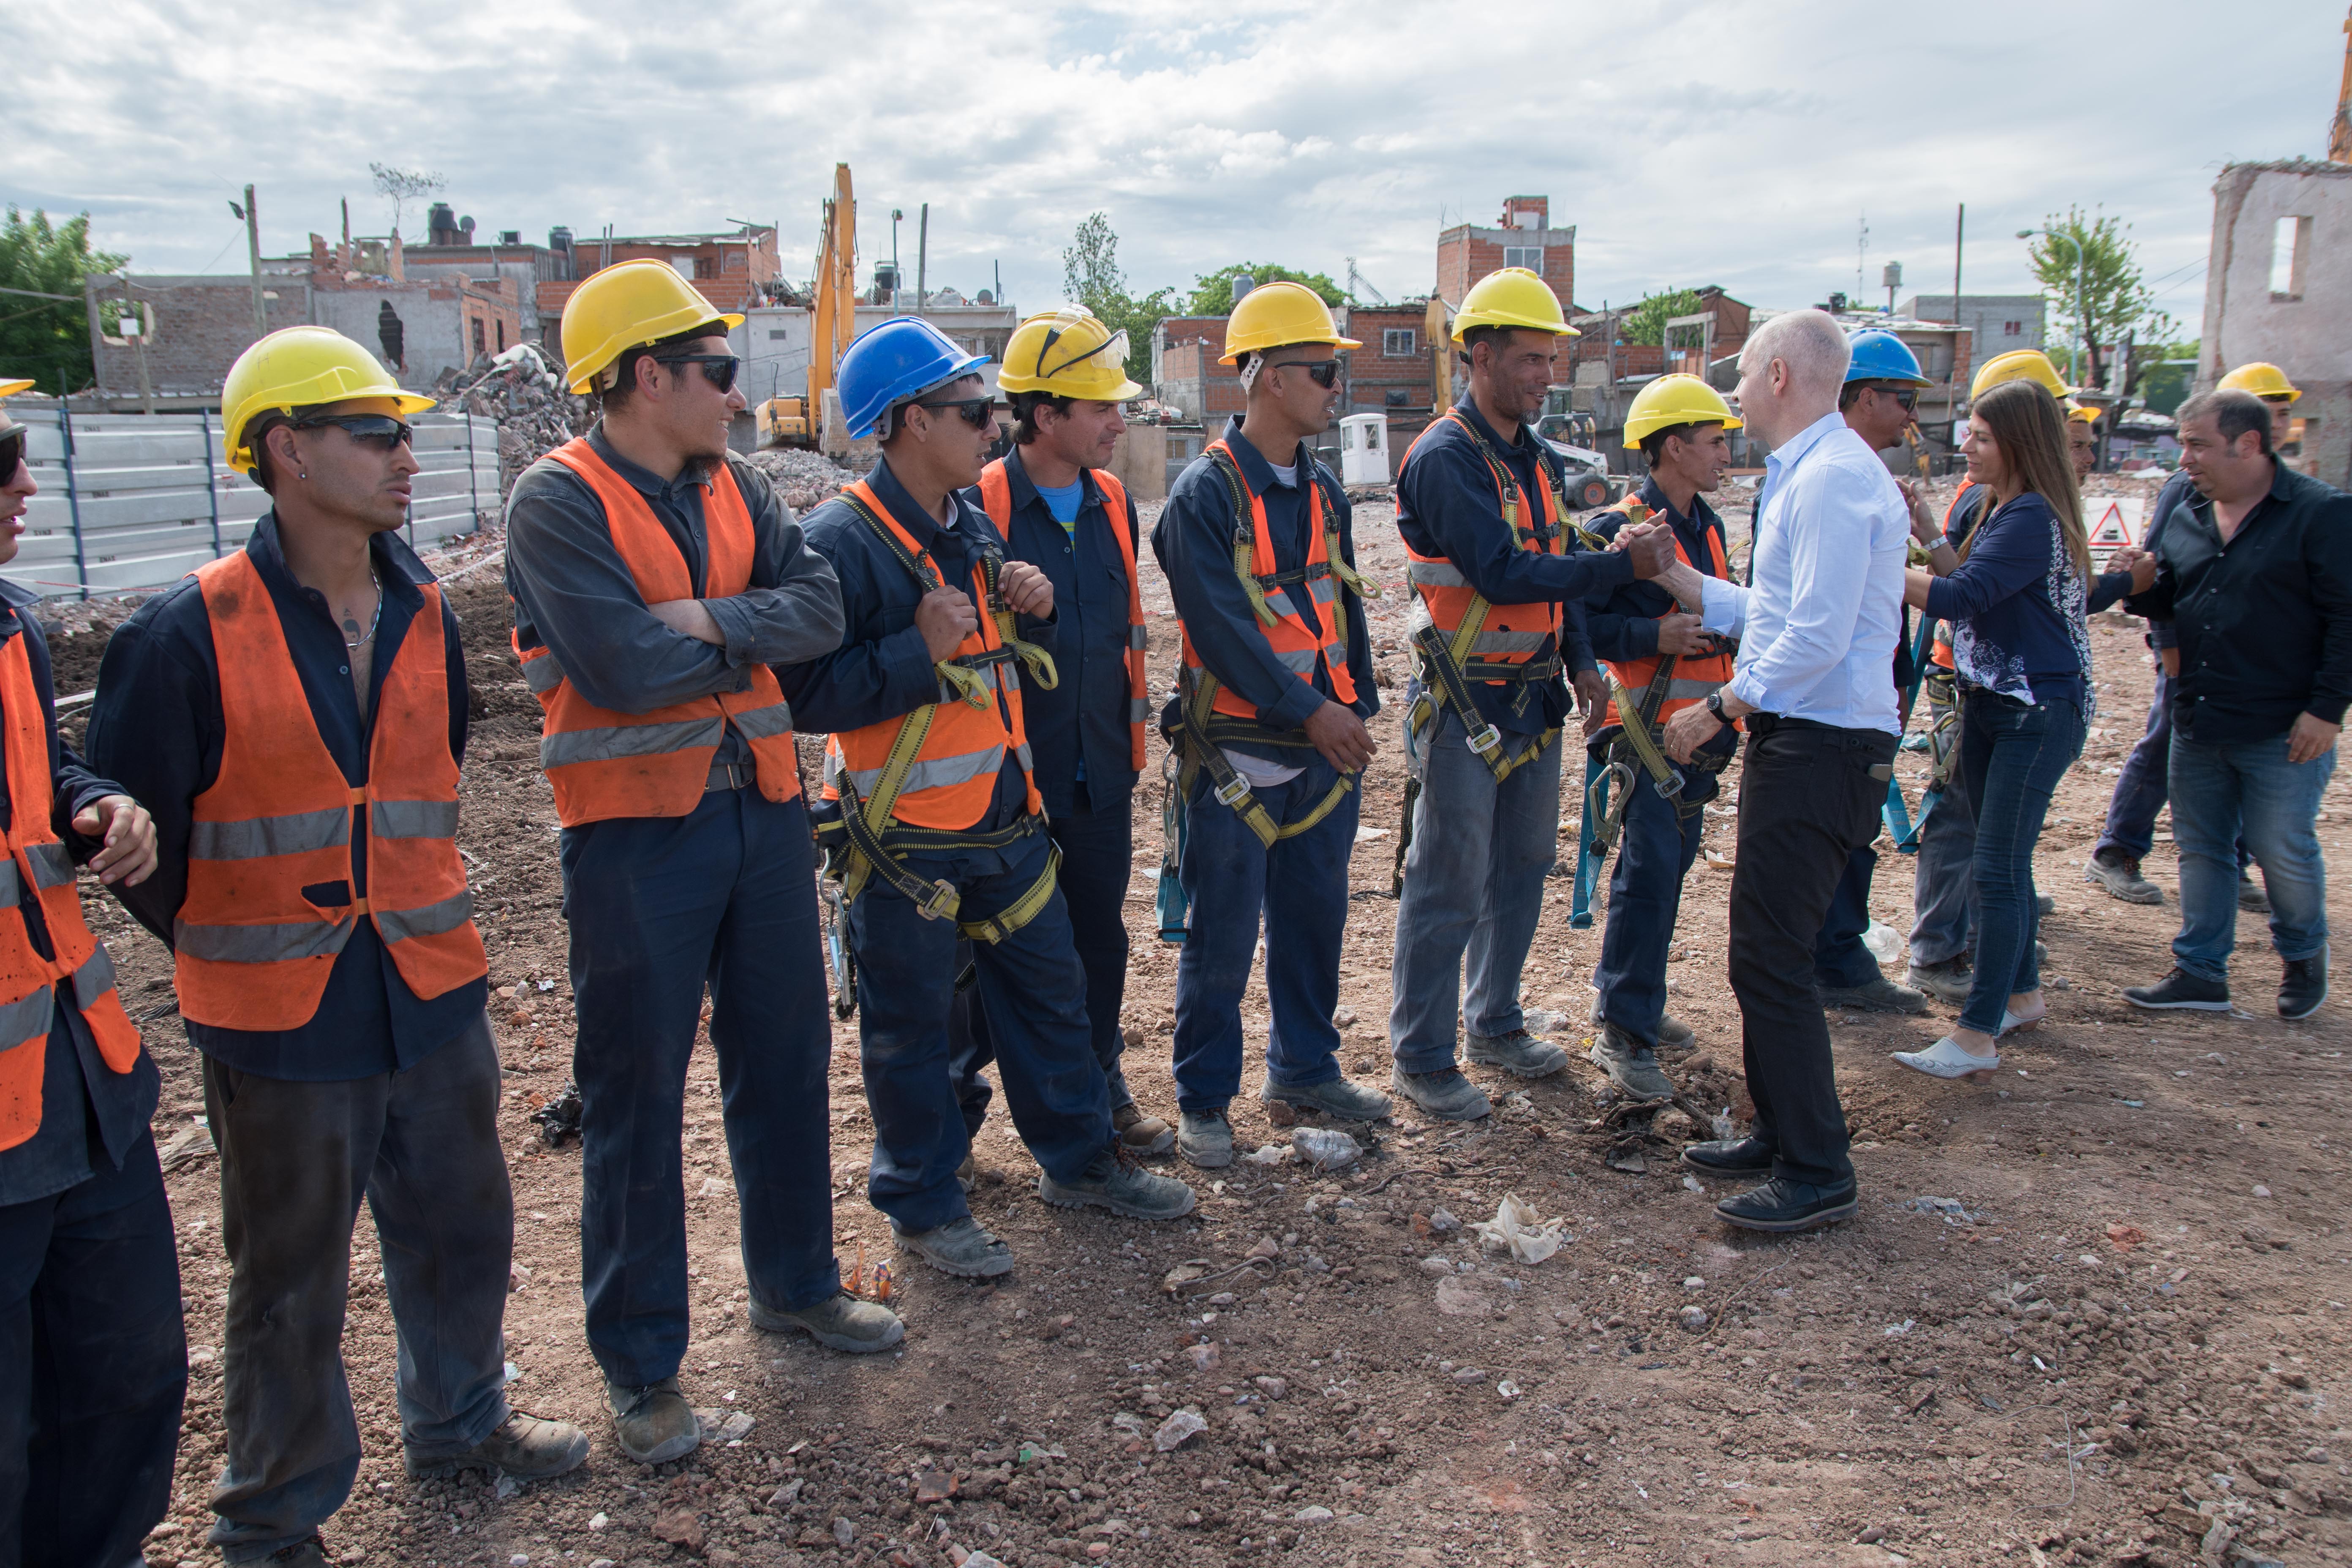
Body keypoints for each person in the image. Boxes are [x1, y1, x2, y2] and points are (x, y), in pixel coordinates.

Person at [91, 327, 588, 1563]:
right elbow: (143, 844)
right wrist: (244, 935)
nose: (405, 454)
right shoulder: (182, 635)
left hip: (428, 986)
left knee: (462, 1226)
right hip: (278, 1014)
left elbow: (431, 784)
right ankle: (268, 1519)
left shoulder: (424, 610)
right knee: (289, 1280)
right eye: (374, 434)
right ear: (286, 452)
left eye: (405, 430)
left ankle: (459, 1423)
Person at [505, 261, 896, 1470]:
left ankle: (796, 1285)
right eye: (717, 372)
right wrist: (746, 632)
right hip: (635, 834)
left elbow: (822, 608)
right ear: (642, 377)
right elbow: (618, 668)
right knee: (636, 1095)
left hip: (764, 810)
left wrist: (708, 628)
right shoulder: (555, 503)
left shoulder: (735, 486)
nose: (735, 396)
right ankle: (640, 1362)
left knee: (785, 1059)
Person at [784, 316, 1195, 1279]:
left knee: (1054, 997)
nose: (992, 425)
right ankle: (925, 1204)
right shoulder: (841, 540)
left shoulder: (965, 519)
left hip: (1005, 820)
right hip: (907, 844)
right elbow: (802, 694)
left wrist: (1023, 597)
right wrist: (909, 651)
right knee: (914, 1032)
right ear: (907, 423)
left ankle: (1080, 1161)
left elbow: (990, 645)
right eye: (974, 410)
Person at [1389, 269, 1675, 1119]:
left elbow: (1556, 581)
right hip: (1464, 702)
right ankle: (1423, 1051)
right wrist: (1623, 564)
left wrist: (1584, 659)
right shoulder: (1445, 459)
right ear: (1476, 357)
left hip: (1533, 695)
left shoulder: (1537, 461)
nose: (1542, 375)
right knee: (1448, 873)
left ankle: (1495, 1019)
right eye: (1525, 359)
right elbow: (1504, 571)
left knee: (1522, 865)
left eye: (1548, 359)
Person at [1644, 309, 1906, 1233]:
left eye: (1746, 376)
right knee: (1763, 952)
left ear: (1784, 376)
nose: (1736, 394)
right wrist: (1688, 584)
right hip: (1811, 739)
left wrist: (1719, 707)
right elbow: (1786, 609)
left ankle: (1817, 1166)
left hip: (1823, 743)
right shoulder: (1817, 474)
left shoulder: (1832, 479)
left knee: (1774, 957)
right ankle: (1781, 1128)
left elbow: (1817, 637)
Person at [0, 380, 179, 1568]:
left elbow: (41, 774)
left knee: (125, 1380)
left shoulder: (8, 624)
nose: (24, 486)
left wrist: (91, 802)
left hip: (82, 1088)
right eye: (2, 462)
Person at [1154, 282, 1391, 1165]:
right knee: (1223, 939)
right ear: (1264, 377)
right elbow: (1220, 629)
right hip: (1241, 759)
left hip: (1324, 754)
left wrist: (1354, 704)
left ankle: (1304, 1066)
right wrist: (1315, 710)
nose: (1337, 387)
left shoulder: (1323, 490)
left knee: (1313, 921)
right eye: (1323, 371)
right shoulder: (1202, 497)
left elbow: (1344, 605)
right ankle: (1203, 1098)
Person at [957, 307, 1170, 1157]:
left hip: (1098, 771)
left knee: (1098, 936)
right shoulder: (979, 504)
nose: (1120, 421)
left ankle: (1098, 1079)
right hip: (1004, 778)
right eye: (1102, 407)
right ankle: (951, 1120)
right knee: (980, 954)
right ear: (1046, 417)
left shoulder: (1114, 499)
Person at [2120, 389, 2352, 1021]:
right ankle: (2201, 970)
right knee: (2201, 846)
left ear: (2248, 444)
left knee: (2282, 847)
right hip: (2199, 715)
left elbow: (2345, 620)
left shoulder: (2320, 514)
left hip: (2284, 726)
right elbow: (2175, 597)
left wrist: (2327, 710)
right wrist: (2139, 587)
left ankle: (2304, 956)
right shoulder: (2188, 510)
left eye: (2197, 445)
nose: (2183, 458)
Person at [1888, 378, 2094, 1080]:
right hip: (1993, 701)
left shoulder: (2033, 515)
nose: (1964, 445)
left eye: (1979, 436)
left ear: (2018, 444)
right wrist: (1928, 534)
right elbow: (1969, 588)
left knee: (1998, 870)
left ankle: (1977, 1036)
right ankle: (2023, 994)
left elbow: (1959, 597)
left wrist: (1868, 566)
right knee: (1998, 857)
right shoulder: (1998, 507)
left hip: (2037, 711)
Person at [2084, 366, 2304, 910]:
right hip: (2191, 659)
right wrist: (2171, 651)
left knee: (2248, 760)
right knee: (2166, 746)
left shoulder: (2290, 497)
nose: (2281, 423)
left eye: (2282, 412)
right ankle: (2118, 850)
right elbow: (2160, 574)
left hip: (2252, 670)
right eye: (2271, 411)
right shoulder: (2190, 487)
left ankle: (2236, 862)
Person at [1579, 374, 1740, 1099]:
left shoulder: (1707, 525)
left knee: (1668, 873)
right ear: (1673, 447)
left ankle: (1633, 1000)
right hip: (1640, 733)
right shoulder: (1618, 529)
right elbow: (1574, 628)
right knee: (1647, 876)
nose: (1723, 457)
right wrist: (1653, 631)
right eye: (1714, 443)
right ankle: (1624, 1029)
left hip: (1695, 731)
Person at [1806, 330, 1946, 1016]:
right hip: (1837, 703)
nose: (1909, 415)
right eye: (1901, 398)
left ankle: (1838, 947)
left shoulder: (1859, 480)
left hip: (1866, 690)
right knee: (1841, 825)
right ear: (1862, 399)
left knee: (1853, 824)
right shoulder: (1833, 481)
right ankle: (1833, 956)